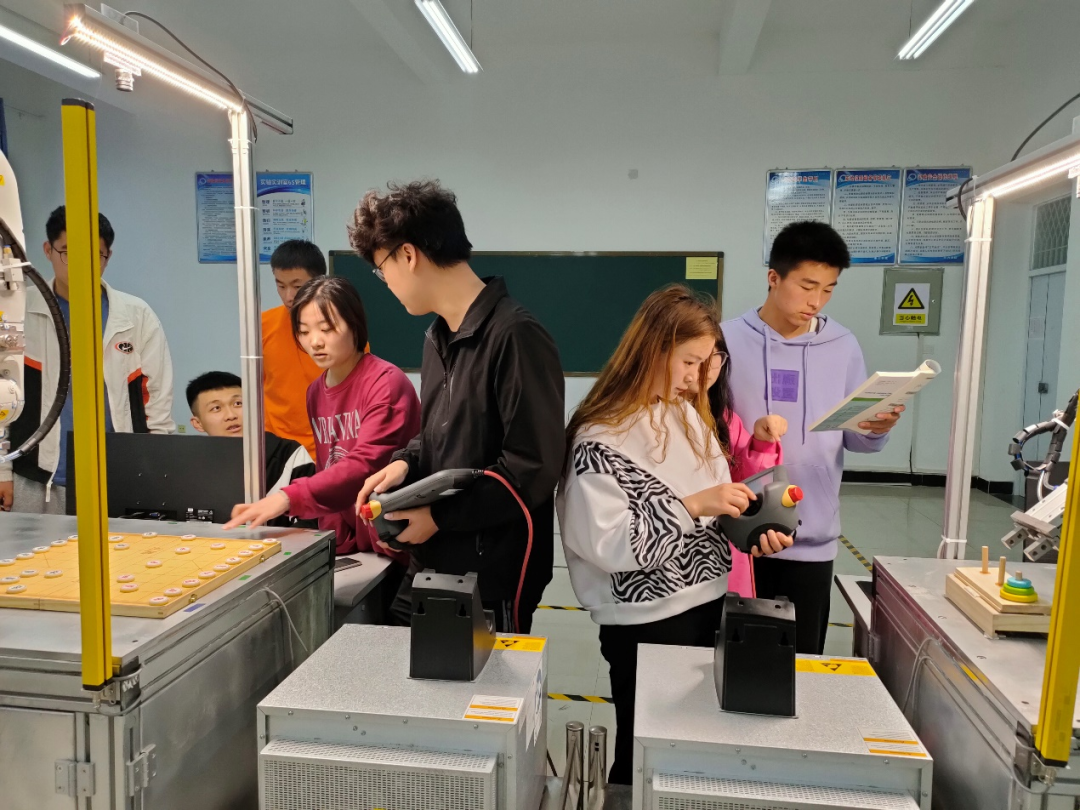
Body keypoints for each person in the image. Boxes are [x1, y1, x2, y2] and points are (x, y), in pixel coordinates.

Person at [558, 284, 793, 785]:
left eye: (707, 363)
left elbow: (714, 510)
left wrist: (754, 527)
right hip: (646, 623)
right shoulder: (600, 438)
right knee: (641, 754)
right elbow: (610, 545)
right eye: (689, 362)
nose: (696, 378)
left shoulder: (684, 412)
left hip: (708, 605)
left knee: (686, 750)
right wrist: (693, 506)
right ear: (651, 350)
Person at [351, 180, 564, 634]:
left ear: (408, 255)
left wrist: (438, 517)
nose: (387, 284)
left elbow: (532, 468)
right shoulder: (438, 338)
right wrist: (405, 463)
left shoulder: (515, 335)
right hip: (434, 559)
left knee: (480, 681)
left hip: (489, 576)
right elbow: (442, 434)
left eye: (382, 269)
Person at [722, 220, 903, 655]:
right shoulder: (726, 340)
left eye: (828, 289)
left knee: (799, 665)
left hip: (812, 541)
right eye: (807, 286)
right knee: (735, 664)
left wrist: (876, 429)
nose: (816, 301)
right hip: (736, 535)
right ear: (773, 277)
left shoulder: (844, 346)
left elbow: (856, 440)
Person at [226, 277, 420, 560]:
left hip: (397, 537)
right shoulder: (316, 391)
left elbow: (365, 464)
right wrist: (336, 544)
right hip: (356, 543)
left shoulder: (385, 382)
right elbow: (327, 463)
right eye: (304, 331)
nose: (314, 342)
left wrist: (287, 497)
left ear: (354, 325)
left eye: (327, 329)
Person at [1, 206, 175, 514]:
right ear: (48, 250)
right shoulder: (17, 311)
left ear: (108, 257)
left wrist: (155, 472)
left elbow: (157, 404)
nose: (83, 263)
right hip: (33, 476)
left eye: (96, 255)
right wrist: (2, 471)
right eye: (69, 252)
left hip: (118, 475)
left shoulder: (136, 316)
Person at [689, 335, 788, 596]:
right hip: (675, 558)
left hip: (726, 554)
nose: (702, 369)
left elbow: (748, 485)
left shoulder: (724, 419)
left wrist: (761, 444)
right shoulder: (646, 419)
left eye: (714, 358)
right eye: (691, 359)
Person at [186, 371, 315, 498]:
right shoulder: (190, 464)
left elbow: (311, 507)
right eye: (216, 408)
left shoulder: (290, 454)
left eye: (238, 403)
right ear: (198, 424)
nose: (231, 415)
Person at [262, 239, 328, 458]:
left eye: (298, 286)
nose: (289, 296)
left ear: (319, 282)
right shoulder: (262, 325)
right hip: (275, 446)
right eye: (281, 286)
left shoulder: (343, 329)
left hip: (325, 445)